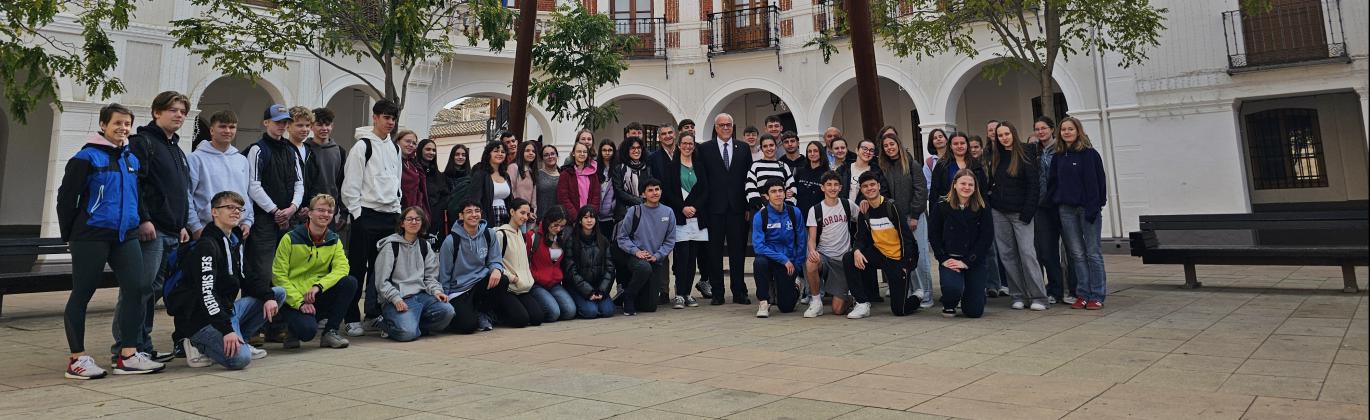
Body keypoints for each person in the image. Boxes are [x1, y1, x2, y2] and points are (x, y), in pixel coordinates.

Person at [58, 103, 165, 379]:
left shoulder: (130, 158)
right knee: (83, 292)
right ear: (104, 124)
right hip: (91, 235)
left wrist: (141, 219)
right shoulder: (86, 157)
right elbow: (66, 199)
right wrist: (69, 235)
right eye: (117, 122)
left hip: (125, 235)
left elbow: (136, 195)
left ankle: (127, 355)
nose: (123, 128)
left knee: (137, 289)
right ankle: (77, 358)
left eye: (127, 123)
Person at [169, 191, 284, 368]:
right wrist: (226, 330)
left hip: (227, 312)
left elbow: (249, 278)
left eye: (239, 208)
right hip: (202, 320)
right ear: (214, 212)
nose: (236, 212)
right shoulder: (206, 245)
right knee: (240, 359)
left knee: (277, 294)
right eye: (229, 207)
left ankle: (240, 339)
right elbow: (207, 293)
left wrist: (268, 297)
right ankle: (195, 343)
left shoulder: (234, 241)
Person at [118, 91, 192, 362]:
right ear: (156, 112)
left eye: (182, 111)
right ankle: (125, 347)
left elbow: (180, 191)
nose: (178, 115)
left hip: (172, 230)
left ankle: (143, 345)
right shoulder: (142, 142)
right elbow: (136, 184)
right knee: (138, 288)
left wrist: (182, 224)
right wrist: (144, 218)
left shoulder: (175, 148)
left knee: (152, 291)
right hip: (152, 229)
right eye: (173, 110)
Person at [340, 100, 401, 336]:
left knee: (383, 270)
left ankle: (374, 314)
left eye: (393, 119)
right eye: (386, 117)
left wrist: (397, 209)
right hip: (365, 214)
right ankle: (352, 317)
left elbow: (396, 182)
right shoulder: (362, 147)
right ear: (374, 117)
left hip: (389, 216)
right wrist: (357, 214)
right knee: (357, 268)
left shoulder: (395, 148)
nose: (390, 122)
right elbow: (350, 185)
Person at [244, 104, 305, 337]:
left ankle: (277, 324)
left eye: (285, 122)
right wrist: (274, 210)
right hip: (264, 222)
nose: (282, 126)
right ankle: (254, 327)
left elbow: (299, 183)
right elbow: (253, 184)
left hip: (287, 221)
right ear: (266, 122)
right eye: (277, 121)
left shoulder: (291, 151)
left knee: (283, 272)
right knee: (261, 272)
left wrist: (292, 208)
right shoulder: (257, 150)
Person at [273, 194, 359, 349]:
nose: (325, 214)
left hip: (316, 294)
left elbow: (342, 268)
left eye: (329, 211)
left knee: (349, 282)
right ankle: (292, 329)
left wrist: (318, 286)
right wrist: (299, 303)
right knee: (307, 332)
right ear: (310, 213)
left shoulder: (334, 239)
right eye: (320, 210)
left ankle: (330, 332)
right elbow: (278, 276)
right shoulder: (290, 238)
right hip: (294, 298)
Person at [1050, 117, 1109, 310]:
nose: (1066, 132)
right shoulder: (1058, 156)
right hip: (1066, 210)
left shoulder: (1090, 155)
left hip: (1088, 209)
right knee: (1076, 253)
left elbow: (1098, 182)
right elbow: (1053, 182)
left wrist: (1095, 206)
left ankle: (1097, 294)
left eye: (1070, 129)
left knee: (1093, 253)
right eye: (1063, 129)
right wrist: (1055, 201)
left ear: (1078, 131)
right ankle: (1082, 293)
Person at [440, 201, 526, 333]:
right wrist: (444, 299)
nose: (474, 214)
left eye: (477, 211)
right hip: (459, 290)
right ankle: (468, 315)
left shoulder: (488, 234)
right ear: (461, 216)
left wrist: (496, 269)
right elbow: (444, 273)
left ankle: (483, 312)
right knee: (467, 326)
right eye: (469, 211)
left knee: (502, 280)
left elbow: (495, 259)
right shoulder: (451, 241)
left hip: (480, 284)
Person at [988, 121, 1047, 311]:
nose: (1004, 138)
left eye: (1006, 134)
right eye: (1000, 135)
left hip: (1021, 214)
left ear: (1013, 133)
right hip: (999, 213)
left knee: (1027, 254)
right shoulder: (996, 156)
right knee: (1007, 255)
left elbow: (1034, 186)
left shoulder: (1025, 154)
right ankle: (1018, 295)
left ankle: (1038, 297)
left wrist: (1027, 213)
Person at [697, 113, 754, 305]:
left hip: (738, 209)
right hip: (714, 209)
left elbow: (749, 180)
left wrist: (747, 206)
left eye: (729, 125)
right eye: (722, 125)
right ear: (715, 127)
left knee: (738, 252)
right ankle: (718, 293)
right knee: (714, 253)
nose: (726, 128)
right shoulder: (705, 149)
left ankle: (739, 291)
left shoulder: (743, 148)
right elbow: (702, 180)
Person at [374, 207, 453, 341]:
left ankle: (412, 325)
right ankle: (384, 323)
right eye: (409, 219)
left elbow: (430, 277)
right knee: (406, 334)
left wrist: (436, 291)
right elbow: (382, 281)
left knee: (447, 312)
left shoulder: (424, 246)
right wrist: (396, 298)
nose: (414, 222)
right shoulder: (391, 246)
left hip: (422, 296)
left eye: (418, 219)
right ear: (402, 223)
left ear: (422, 223)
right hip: (398, 298)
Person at [851, 172, 922, 317]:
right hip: (879, 254)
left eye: (872, 185)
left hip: (897, 260)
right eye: (865, 186)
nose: (869, 188)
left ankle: (917, 296)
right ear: (861, 189)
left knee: (899, 310)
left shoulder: (891, 206)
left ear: (878, 186)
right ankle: (862, 303)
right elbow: (861, 238)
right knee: (849, 258)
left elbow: (907, 238)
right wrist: (857, 250)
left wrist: (905, 265)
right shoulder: (864, 210)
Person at [929, 170, 993, 318]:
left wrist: (966, 262)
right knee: (952, 289)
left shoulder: (983, 207)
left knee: (974, 312)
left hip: (973, 260)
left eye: (971, 184)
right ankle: (950, 302)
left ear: (975, 187)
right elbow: (934, 234)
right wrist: (943, 259)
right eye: (963, 183)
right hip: (950, 259)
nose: (967, 187)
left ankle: (974, 294)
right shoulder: (941, 205)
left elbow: (986, 238)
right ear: (955, 185)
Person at [877, 134, 931, 307]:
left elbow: (921, 190)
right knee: (905, 257)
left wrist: (915, 215)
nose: (889, 148)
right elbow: (884, 193)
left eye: (892, 144)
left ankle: (927, 295)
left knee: (920, 257)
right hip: (897, 219)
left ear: (898, 144)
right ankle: (912, 291)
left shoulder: (912, 164)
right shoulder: (884, 168)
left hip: (915, 217)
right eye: (886, 146)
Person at [187, 110, 254, 240]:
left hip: (237, 229)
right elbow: (187, 194)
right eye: (222, 126)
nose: (228, 131)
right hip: (206, 229)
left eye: (232, 127)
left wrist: (248, 221)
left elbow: (247, 194)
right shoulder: (195, 159)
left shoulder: (242, 160)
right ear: (212, 130)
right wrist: (195, 227)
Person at [660, 131, 708, 309]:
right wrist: (682, 207)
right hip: (680, 217)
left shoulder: (700, 166)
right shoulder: (671, 167)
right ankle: (679, 294)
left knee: (693, 257)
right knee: (681, 257)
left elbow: (705, 191)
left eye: (691, 143)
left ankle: (688, 293)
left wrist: (695, 207)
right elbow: (668, 192)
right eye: (684, 143)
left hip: (697, 217)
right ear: (679, 145)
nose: (688, 146)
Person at [614, 179, 677, 315]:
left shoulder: (668, 212)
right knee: (643, 267)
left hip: (655, 260)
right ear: (643, 194)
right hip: (635, 257)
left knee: (649, 307)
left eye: (657, 189)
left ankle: (626, 294)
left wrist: (657, 256)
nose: (654, 193)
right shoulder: (634, 211)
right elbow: (622, 237)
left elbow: (670, 240)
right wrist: (637, 252)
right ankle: (629, 297)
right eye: (650, 190)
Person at [803, 171, 860, 318]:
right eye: (829, 185)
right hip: (825, 258)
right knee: (811, 262)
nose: (832, 188)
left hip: (842, 261)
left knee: (838, 310)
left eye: (836, 185)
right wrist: (812, 250)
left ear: (840, 187)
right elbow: (811, 239)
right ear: (822, 188)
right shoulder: (815, 210)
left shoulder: (848, 205)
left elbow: (863, 220)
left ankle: (850, 296)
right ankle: (816, 302)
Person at [751, 180, 808, 318]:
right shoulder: (761, 216)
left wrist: (797, 265)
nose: (778, 195)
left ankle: (795, 285)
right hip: (771, 259)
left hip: (789, 261)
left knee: (786, 307)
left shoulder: (794, 213)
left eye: (780, 191)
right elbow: (758, 246)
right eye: (773, 191)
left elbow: (801, 240)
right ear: (766, 196)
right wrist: (782, 259)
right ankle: (764, 302)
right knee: (759, 262)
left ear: (785, 193)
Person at [1030, 116, 1068, 304]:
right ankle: (1054, 289)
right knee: (1046, 250)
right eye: (1037, 129)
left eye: (1043, 128)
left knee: (1070, 250)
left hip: (1062, 204)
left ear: (1052, 129)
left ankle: (1074, 289)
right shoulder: (1035, 152)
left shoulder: (1062, 150)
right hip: (1042, 207)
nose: (1040, 132)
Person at [494, 198, 545, 325]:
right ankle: (497, 312)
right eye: (522, 213)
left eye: (527, 214)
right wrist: (512, 278)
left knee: (537, 318)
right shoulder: (501, 234)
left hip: (523, 288)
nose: (525, 217)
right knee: (521, 320)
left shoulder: (522, 235)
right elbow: (493, 263)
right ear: (512, 212)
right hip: (508, 287)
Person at [564, 205, 617, 318]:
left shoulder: (603, 240)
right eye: (586, 217)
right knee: (590, 312)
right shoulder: (572, 241)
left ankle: (596, 300)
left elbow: (610, 268)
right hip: (579, 288)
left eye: (592, 217)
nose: (589, 220)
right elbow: (570, 271)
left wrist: (602, 291)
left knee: (608, 311)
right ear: (580, 220)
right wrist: (588, 292)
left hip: (598, 286)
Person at [526, 206, 576, 322]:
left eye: (562, 226)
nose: (558, 229)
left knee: (570, 311)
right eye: (555, 225)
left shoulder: (561, 237)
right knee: (553, 313)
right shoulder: (533, 236)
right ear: (548, 221)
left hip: (554, 283)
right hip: (536, 283)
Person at [304, 108, 349, 232]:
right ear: (311, 126)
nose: (324, 128)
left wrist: (344, 213)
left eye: (327, 124)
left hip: (329, 213)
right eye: (319, 124)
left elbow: (342, 184)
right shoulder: (304, 149)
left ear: (332, 126)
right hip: (305, 213)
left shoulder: (340, 151)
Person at [745, 134, 797, 210]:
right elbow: (750, 188)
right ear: (761, 149)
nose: (769, 148)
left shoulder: (783, 166)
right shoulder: (755, 166)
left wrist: (787, 207)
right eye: (765, 146)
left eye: (771, 145)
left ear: (776, 147)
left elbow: (792, 188)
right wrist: (762, 207)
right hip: (761, 211)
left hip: (782, 211)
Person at [468, 141, 513, 226]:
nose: (500, 154)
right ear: (488, 154)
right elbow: (475, 200)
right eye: (496, 151)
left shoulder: (506, 175)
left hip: (505, 217)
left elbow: (510, 200)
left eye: (503, 152)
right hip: (487, 218)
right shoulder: (480, 174)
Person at [416, 139, 450, 238]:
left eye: (434, 150)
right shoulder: (414, 170)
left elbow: (445, 195)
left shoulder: (438, 175)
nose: (431, 152)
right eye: (428, 149)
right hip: (417, 216)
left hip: (435, 219)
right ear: (420, 150)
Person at [556, 142, 601, 216]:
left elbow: (596, 197)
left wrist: (590, 215)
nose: (582, 154)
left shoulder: (593, 174)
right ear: (573, 153)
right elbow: (563, 198)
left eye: (585, 152)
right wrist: (576, 217)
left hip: (589, 218)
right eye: (579, 151)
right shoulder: (566, 174)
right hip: (572, 219)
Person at [440, 144, 471, 241]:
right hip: (449, 218)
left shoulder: (471, 177)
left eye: (463, 155)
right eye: (457, 154)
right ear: (452, 157)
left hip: (468, 216)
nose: (460, 157)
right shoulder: (443, 177)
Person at [794, 141, 829, 214]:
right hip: (800, 214)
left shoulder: (827, 173)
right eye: (809, 151)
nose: (812, 154)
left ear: (821, 152)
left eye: (815, 151)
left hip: (819, 214)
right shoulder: (800, 171)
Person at [397, 130, 428, 211]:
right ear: (397, 141)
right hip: (397, 208)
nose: (411, 145)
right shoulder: (392, 162)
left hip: (413, 209)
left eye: (414, 143)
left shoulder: (414, 165)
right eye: (407, 141)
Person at [595, 139, 618, 240]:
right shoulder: (594, 167)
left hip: (612, 214)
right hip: (597, 213)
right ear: (600, 151)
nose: (607, 152)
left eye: (610, 150)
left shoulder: (618, 168)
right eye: (604, 150)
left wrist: (613, 205)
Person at [510, 141, 540, 216]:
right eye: (527, 151)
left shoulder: (532, 171)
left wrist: (532, 211)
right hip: (516, 213)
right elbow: (511, 191)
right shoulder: (513, 167)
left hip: (528, 213)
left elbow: (533, 197)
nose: (531, 153)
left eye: (533, 151)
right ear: (521, 152)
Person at [535, 144, 561, 219]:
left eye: (552, 154)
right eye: (546, 155)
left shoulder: (563, 174)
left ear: (557, 156)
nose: (550, 157)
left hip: (559, 219)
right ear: (542, 158)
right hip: (541, 218)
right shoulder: (537, 175)